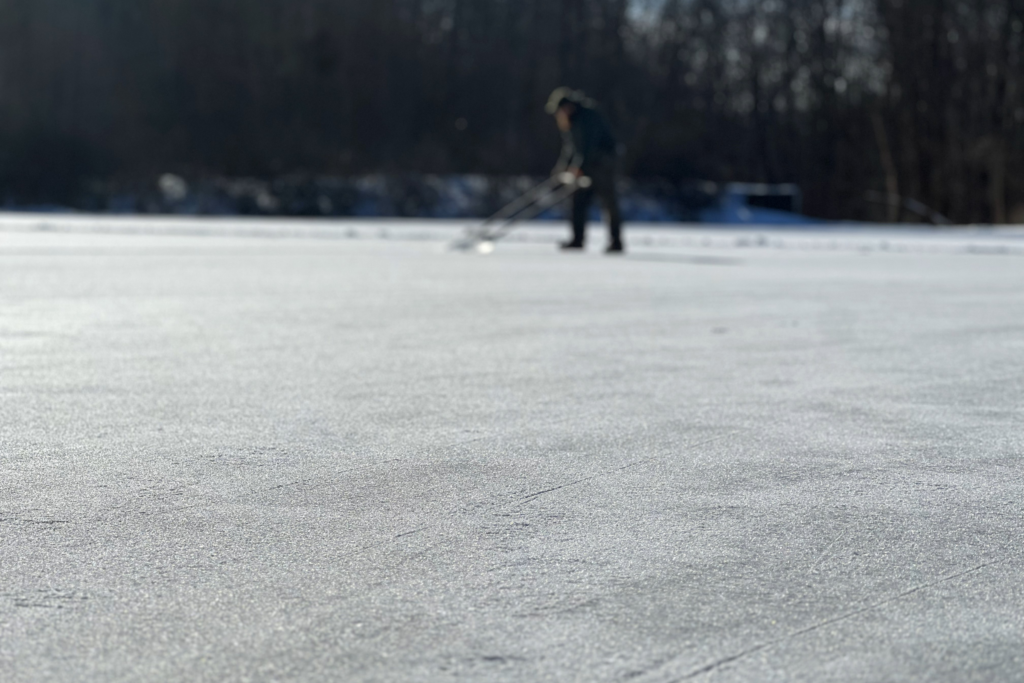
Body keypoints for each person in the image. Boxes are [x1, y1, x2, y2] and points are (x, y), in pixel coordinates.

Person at [545, 87, 624, 253]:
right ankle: (577, 240)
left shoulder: (588, 115)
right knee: (578, 201)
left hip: (603, 164)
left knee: (608, 203)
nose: (559, 115)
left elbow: (591, 145)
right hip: (586, 165)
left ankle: (616, 241)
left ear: (567, 107)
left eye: (560, 111)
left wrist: (579, 166)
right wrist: (561, 169)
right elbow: (570, 148)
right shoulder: (571, 121)